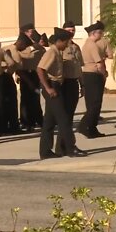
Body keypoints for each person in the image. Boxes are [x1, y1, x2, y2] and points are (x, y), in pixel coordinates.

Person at [37, 27, 87, 159]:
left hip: (57, 85)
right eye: (65, 42)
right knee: (63, 119)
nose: (67, 45)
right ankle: (70, 148)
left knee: (49, 121)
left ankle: (45, 151)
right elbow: (40, 69)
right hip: (52, 86)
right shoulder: (52, 52)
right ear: (59, 41)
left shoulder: (58, 52)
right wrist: (48, 88)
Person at [55, 21, 86, 156]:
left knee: (69, 116)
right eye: (68, 30)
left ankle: (63, 146)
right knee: (65, 117)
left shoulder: (76, 47)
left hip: (74, 83)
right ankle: (67, 146)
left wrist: (82, 84)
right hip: (64, 84)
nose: (71, 32)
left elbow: (78, 67)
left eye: (73, 30)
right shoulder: (59, 47)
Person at [78, 21, 108, 138]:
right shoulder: (92, 45)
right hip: (93, 75)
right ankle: (84, 125)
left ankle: (92, 127)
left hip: (88, 75)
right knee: (95, 104)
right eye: (100, 33)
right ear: (94, 33)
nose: (101, 35)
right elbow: (99, 63)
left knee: (93, 104)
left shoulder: (87, 44)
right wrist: (104, 73)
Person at [0, 33, 34, 134]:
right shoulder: (13, 52)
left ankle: (4, 127)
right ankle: (13, 127)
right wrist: (29, 82)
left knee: (3, 104)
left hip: (3, 78)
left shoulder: (6, 48)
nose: (24, 49)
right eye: (24, 46)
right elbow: (16, 67)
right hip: (6, 78)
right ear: (21, 43)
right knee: (11, 104)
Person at [17, 29, 45, 132]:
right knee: (27, 99)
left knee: (31, 99)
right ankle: (28, 121)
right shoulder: (29, 49)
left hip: (32, 74)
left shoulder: (38, 50)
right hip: (27, 75)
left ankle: (31, 121)